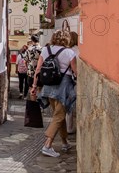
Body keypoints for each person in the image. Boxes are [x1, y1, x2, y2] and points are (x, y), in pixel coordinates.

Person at [30, 30, 77, 158]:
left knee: (58, 115)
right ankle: (47, 145)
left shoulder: (46, 50)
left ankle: (64, 142)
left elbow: (38, 70)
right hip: (63, 88)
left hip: (49, 88)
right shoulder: (70, 53)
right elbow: (76, 72)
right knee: (59, 116)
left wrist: (34, 86)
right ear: (67, 39)